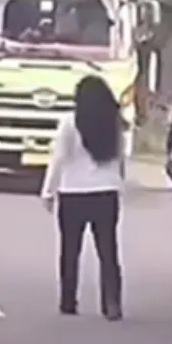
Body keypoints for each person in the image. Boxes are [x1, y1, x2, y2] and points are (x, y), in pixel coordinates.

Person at [41, 74, 125, 319]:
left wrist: (48, 191)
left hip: (73, 193)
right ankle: (112, 303)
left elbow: (59, 159)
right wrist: (119, 184)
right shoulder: (114, 122)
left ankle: (68, 301)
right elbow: (120, 157)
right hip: (106, 192)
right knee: (108, 252)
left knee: (70, 250)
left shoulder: (69, 122)